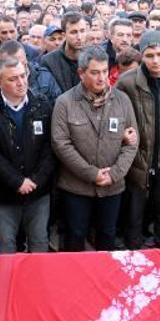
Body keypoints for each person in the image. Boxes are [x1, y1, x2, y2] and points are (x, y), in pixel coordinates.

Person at [51, 46, 138, 251]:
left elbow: (133, 142)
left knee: (107, 236)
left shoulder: (122, 100)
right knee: (75, 236)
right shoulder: (65, 102)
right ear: (81, 74)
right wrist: (92, 174)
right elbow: (61, 144)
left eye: (104, 71)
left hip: (112, 187)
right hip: (76, 188)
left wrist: (114, 174)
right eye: (94, 72)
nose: (101, 78)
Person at [115, 30, 160, 249]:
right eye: (149, 55)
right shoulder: (127, 82)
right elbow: (117, 114)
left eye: (159, 54)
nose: (155, 60)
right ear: (141, 56)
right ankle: (134, 259)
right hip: (138, 159)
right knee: (134, 217)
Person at [0, 59, 54, 253]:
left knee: (40, 242)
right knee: (5, 245)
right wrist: (17, 181)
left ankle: (37, 282)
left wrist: (36, 180)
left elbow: (50, 148)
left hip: (38, 192)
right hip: (2, 194)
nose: (21, 82)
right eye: (13, 79)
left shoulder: (41, 104)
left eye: (23, 76)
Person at [41, 12, 87, 93]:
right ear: (64, 35)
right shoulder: (49, 61)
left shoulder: (93, 58)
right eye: (73, 32)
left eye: (82, 31)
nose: (79, 37)